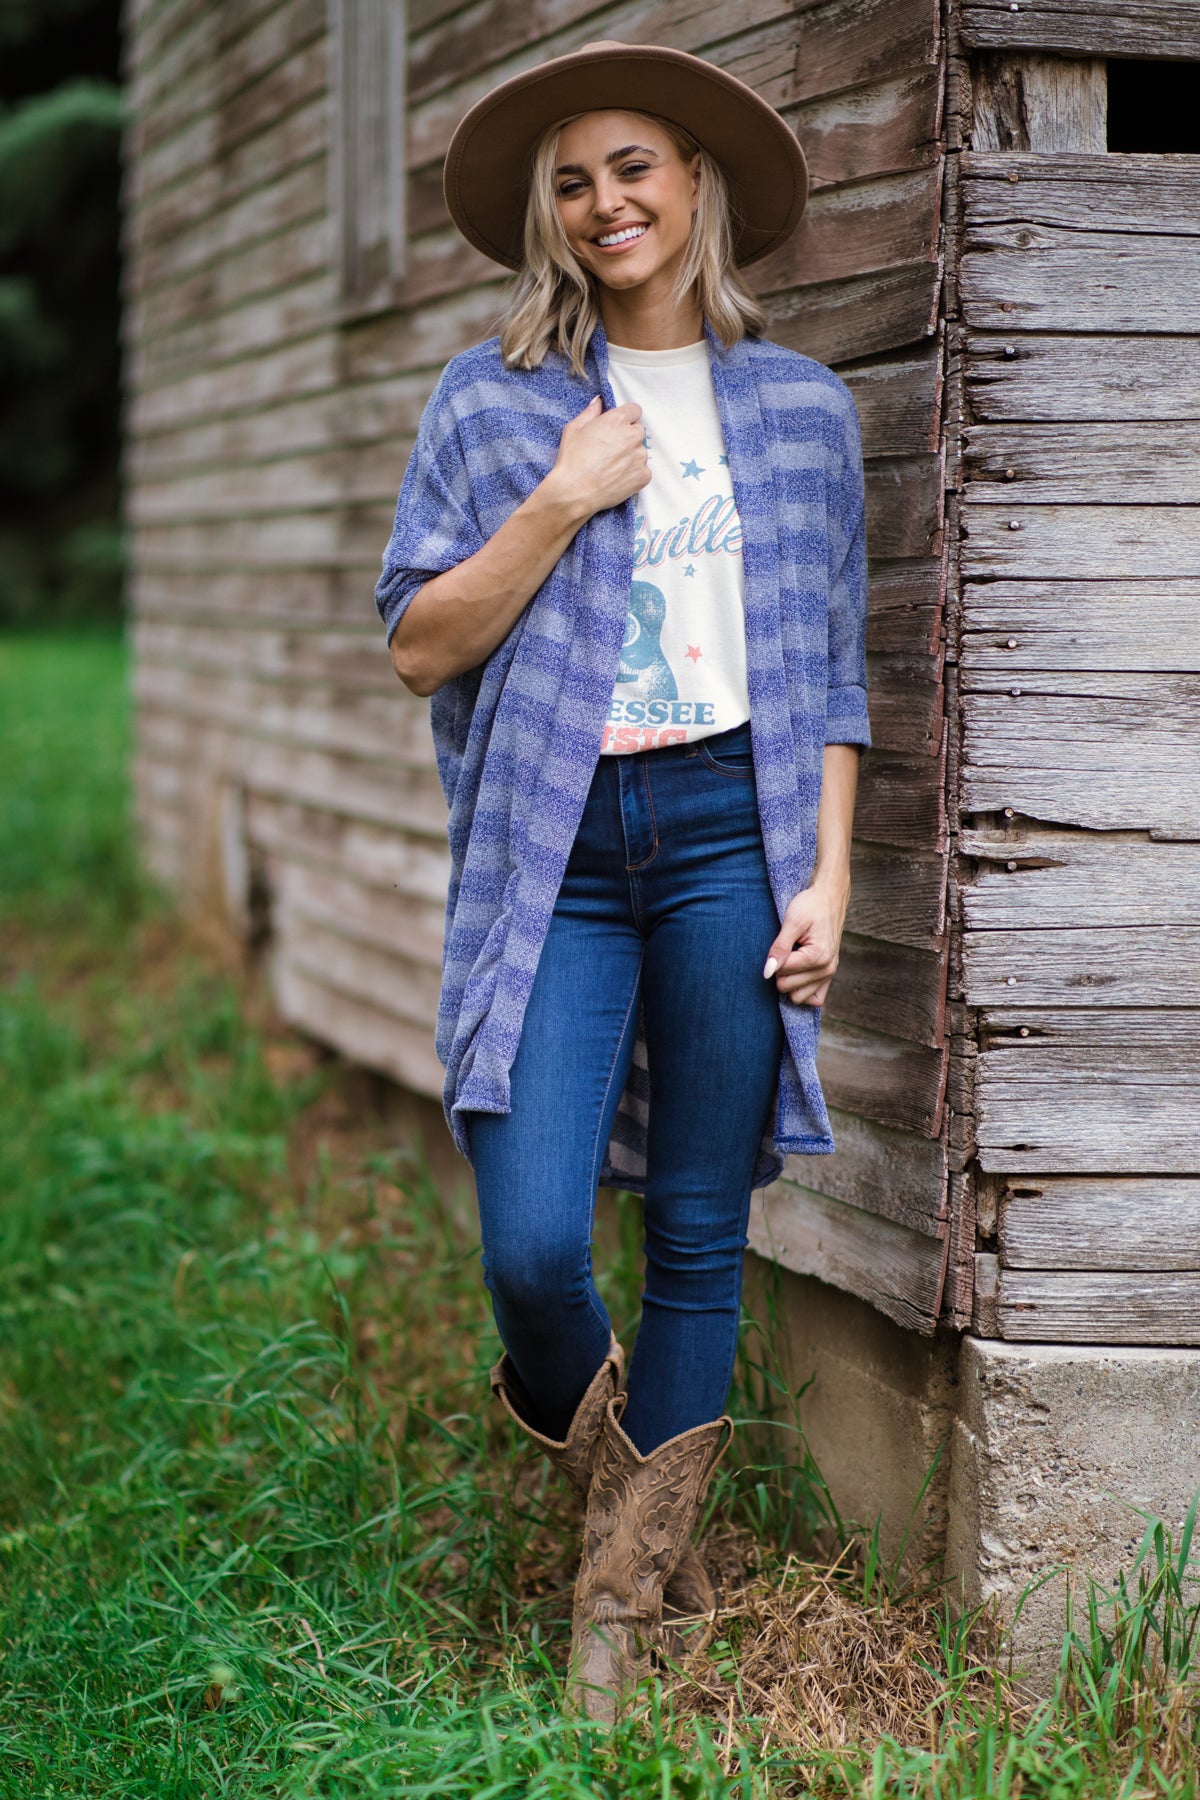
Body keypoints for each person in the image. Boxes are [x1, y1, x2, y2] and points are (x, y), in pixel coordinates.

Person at [376, 39, 869, 1723]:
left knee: (695, 1236)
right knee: (529, 1243)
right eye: (576, 179)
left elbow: (836, 673)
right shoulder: (493, 401)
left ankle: (622, 1609)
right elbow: (417, 641)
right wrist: (559, 503)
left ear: (699, 184)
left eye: (636, 167)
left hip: (734, 836)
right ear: (549, 208)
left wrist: (832, 878)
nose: (607, 203)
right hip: (560, 854)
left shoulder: (803, 412)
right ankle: (637, 1511)